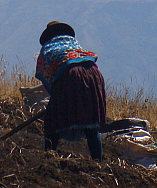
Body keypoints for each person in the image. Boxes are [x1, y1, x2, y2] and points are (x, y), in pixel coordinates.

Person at [35, 21, 107, 160]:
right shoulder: (75, 45)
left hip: (70, 76)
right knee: (91, 124)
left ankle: (49, 157)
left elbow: (48, 81)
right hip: (94, 76)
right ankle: (97, 161)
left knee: (52, 120)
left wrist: (56, 101)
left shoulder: (47, 50)